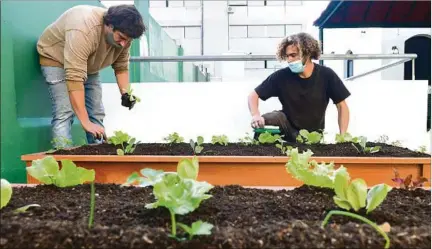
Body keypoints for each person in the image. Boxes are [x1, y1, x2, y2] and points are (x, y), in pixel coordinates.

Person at [37, 4, 146, 148]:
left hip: (87, 63)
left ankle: (99, 157)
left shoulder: (124, 38)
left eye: (128, 40)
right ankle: (62, 160)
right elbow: (74, 77)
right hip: (56, 59)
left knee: (96, 111)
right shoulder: (84, 29)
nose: (124, 43)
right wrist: (85, 122)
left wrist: (125, 93)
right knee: (65, 112)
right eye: (121, 37)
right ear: (109, 25)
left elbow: (121, 66)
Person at [248, 32, 350, 142]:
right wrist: (256, 115)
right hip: (288, 128)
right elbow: (253, 95)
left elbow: (342, 106)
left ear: (307, 53)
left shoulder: (326, 75)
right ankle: (260, 155)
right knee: (266, 120)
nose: (289, 59)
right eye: (287, 56)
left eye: (293, 55)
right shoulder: (281, 76)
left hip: (312, 135)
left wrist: (342, 137)